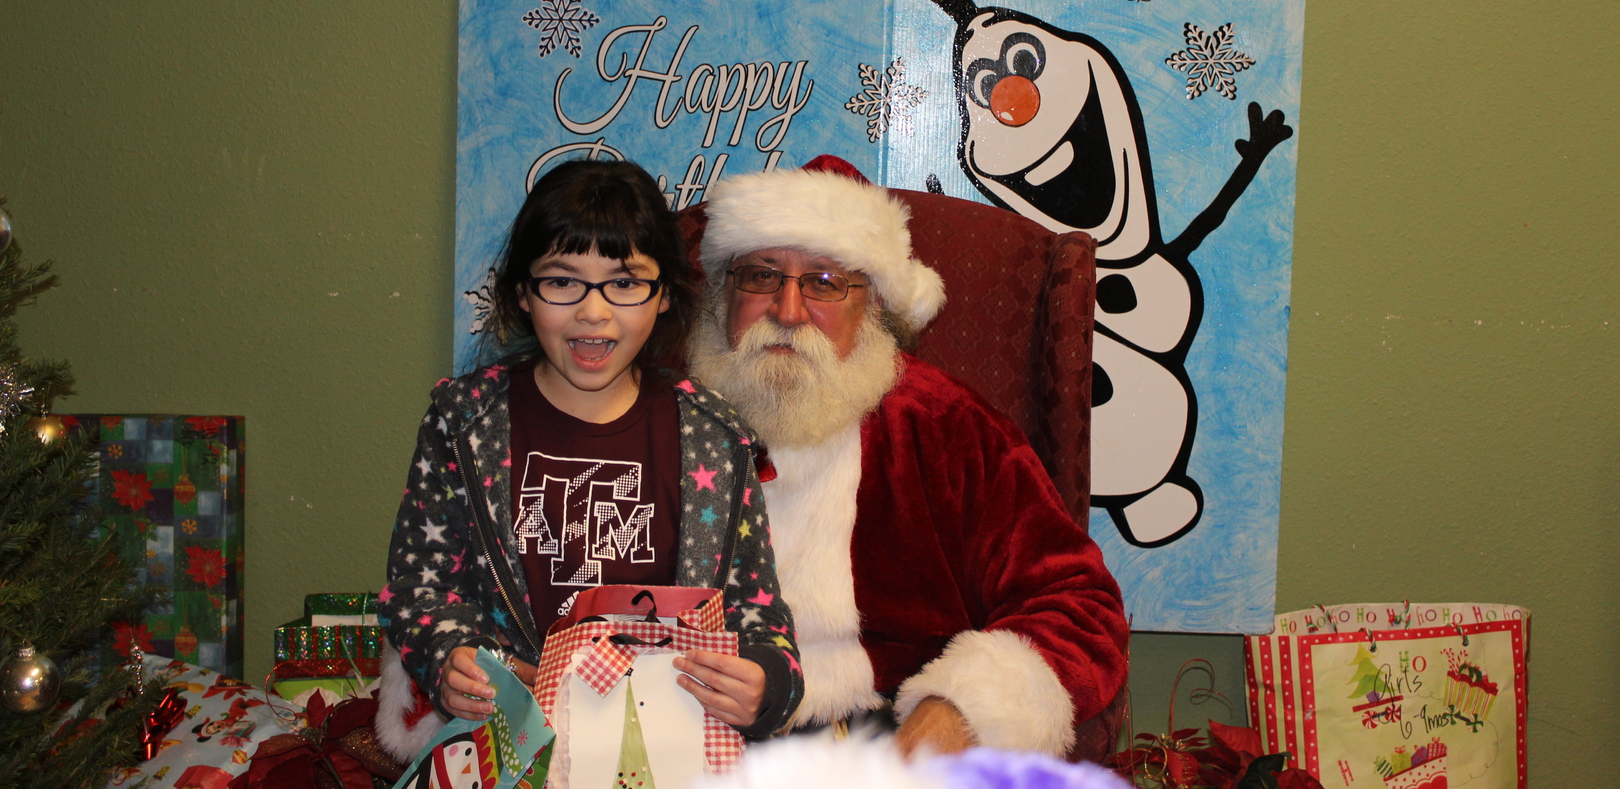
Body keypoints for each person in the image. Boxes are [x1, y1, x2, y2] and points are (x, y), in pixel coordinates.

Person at [688, 156, 1129, 759]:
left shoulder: (942, 424)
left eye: (825, 282)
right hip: (683, 720)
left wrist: (960, 711)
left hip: (878, 731)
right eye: (762, 276)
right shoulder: (656, 413)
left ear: (873, 306)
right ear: (724, 294)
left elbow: (1077, 603)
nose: (787, 311)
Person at [376, 159, 802, 763]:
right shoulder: (465, 423)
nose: (593, 312)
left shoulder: (715, 437)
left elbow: (757, 610)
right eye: (562, 281)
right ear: (522, 293)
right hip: (507, 748)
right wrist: (450, 656)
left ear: (664, 295)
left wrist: (768, 683)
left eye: (625, 283)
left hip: (665, 752)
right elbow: (421, 586)